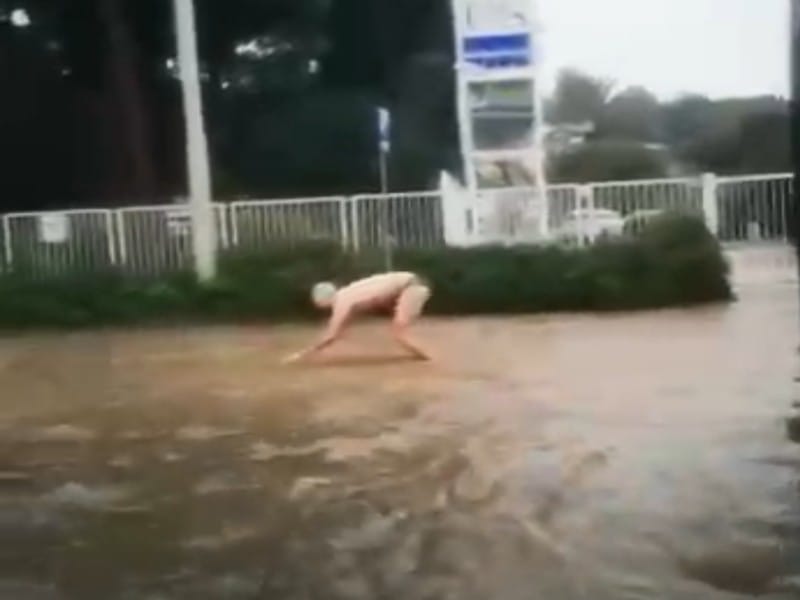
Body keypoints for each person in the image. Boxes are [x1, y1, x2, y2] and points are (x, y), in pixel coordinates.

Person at [282, 271, 432, 364]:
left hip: (411, 287)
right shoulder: (347, 294)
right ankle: (426, 356)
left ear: (323, 300)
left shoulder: (342, 301)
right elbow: (340, 329)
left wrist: (302, 354)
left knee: (400, 334)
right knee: (399, 331)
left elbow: (331, 336)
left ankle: (431, 358)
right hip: (412, 284)